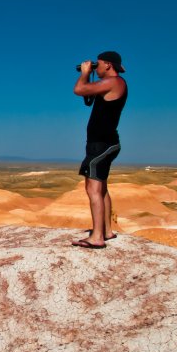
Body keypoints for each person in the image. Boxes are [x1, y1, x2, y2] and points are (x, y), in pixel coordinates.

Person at [72, 50, 127, 249]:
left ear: (108, 65)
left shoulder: (114, 82)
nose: (97, 66)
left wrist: (85, 73)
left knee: (92, 188)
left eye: (98, 64)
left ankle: (97, 237)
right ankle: (107, 230)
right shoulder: (113, 84)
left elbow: (79, 89)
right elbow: (88, 94)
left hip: (101, 145)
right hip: (105, 143)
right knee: (101, 186)